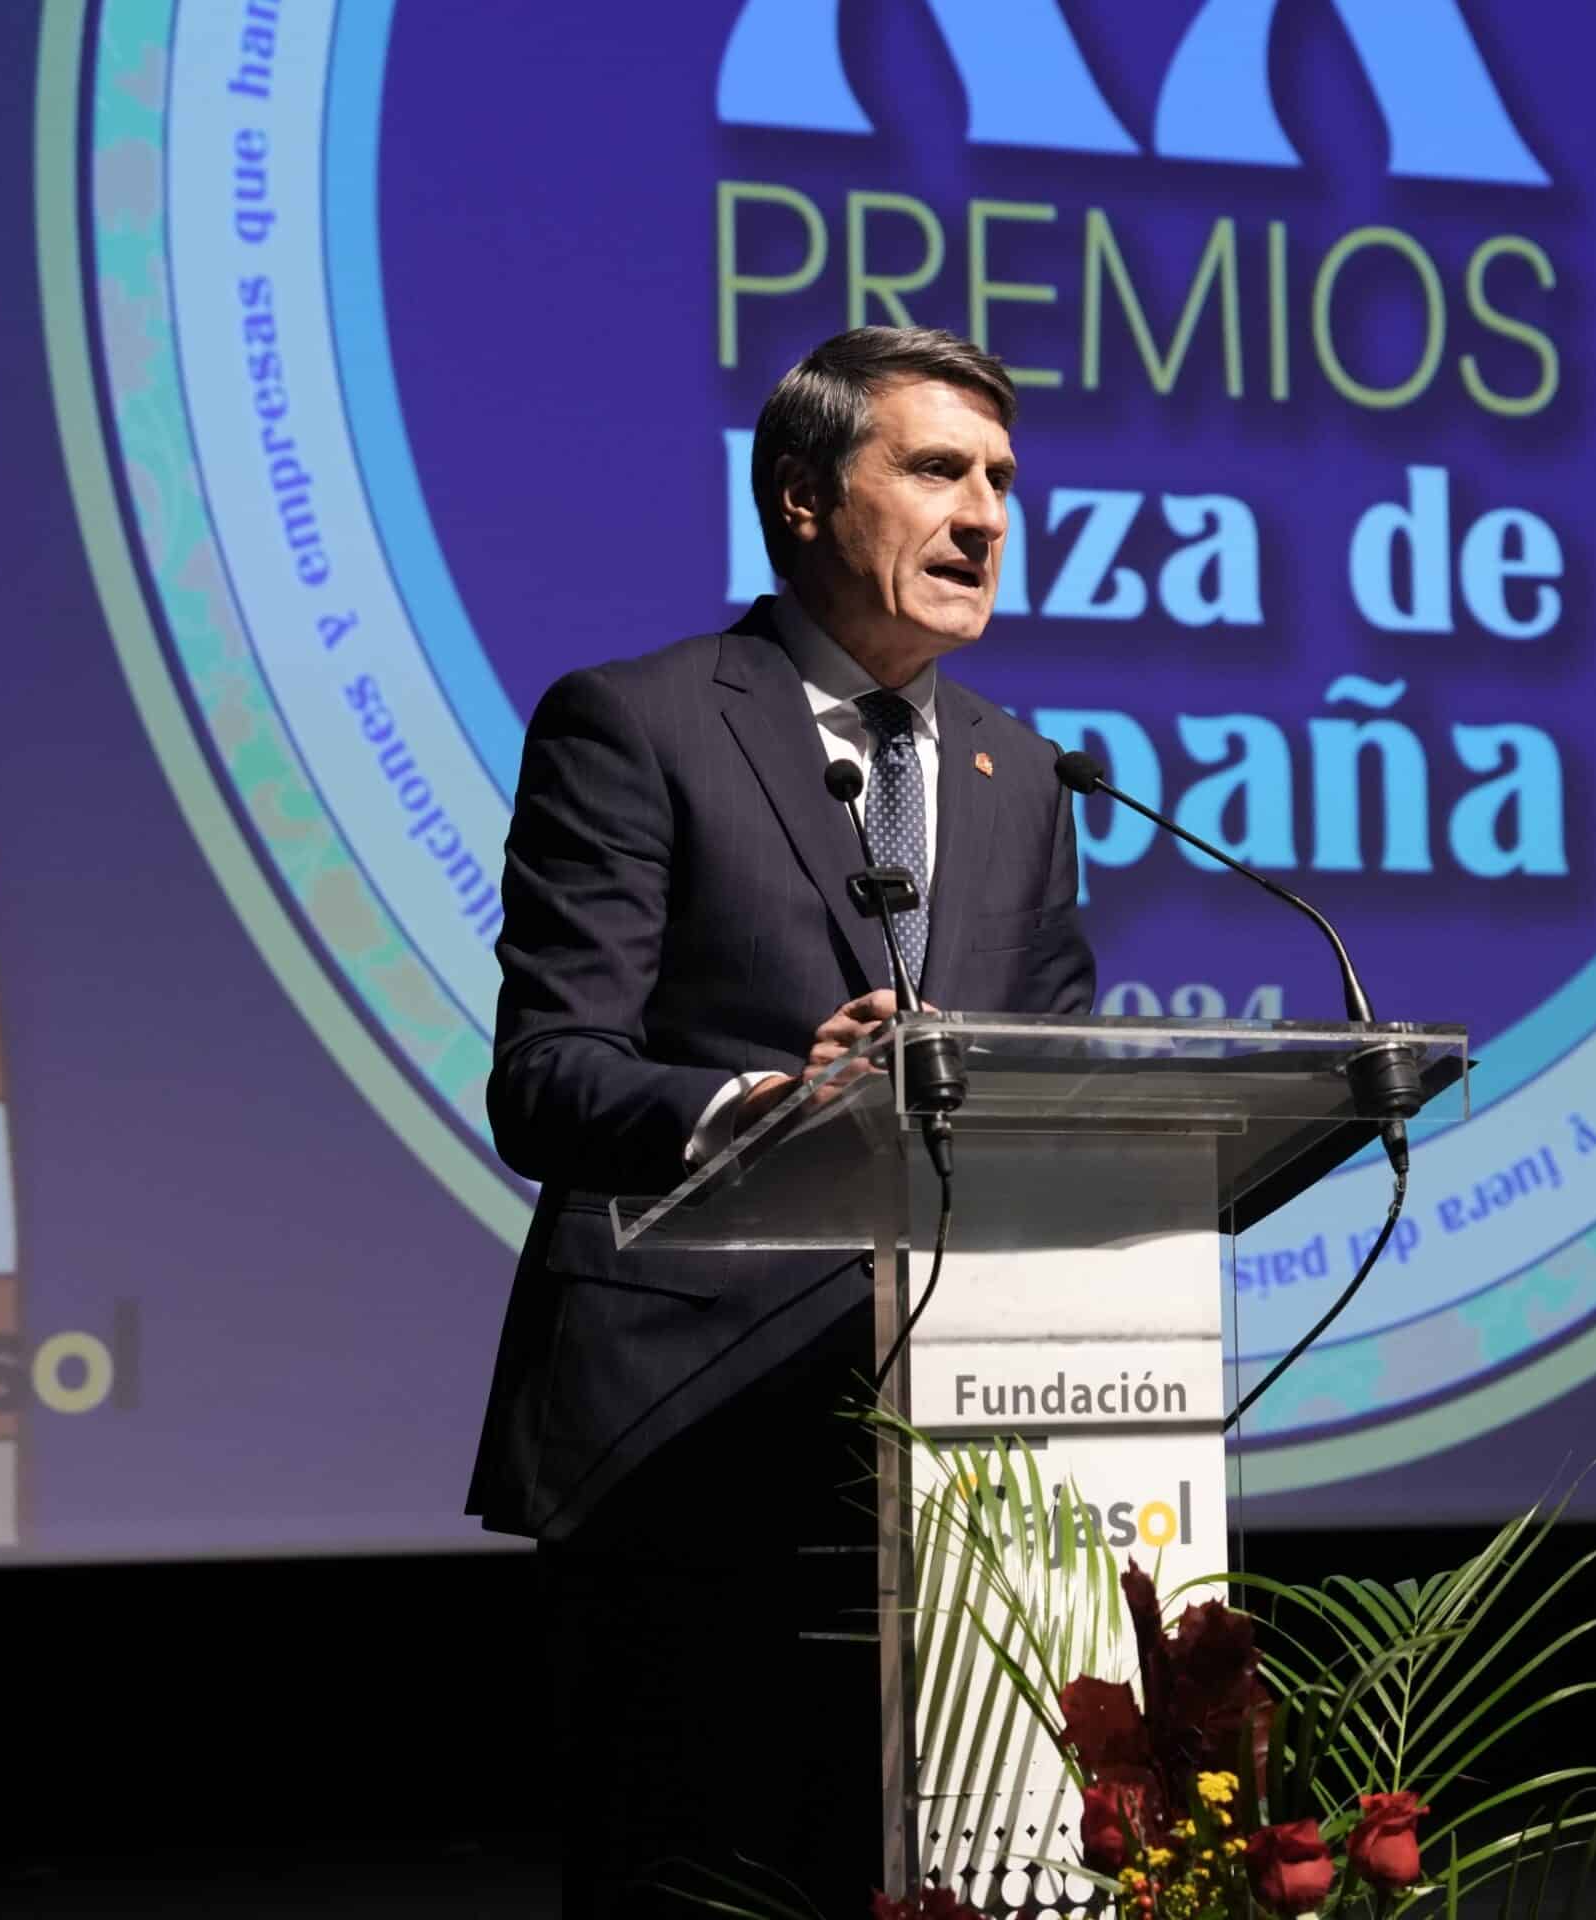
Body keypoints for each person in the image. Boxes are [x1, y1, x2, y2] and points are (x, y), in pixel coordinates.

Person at [468, 327, 1096, 1916]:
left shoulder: (1018, 770)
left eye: (1002, 480)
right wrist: (772, 1102)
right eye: (938, 471)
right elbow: (547, 1078)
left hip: (954, 1443)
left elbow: (1059, 1075)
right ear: (805, 499)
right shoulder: (639, 723)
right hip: (689, 1431)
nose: (985, 517)